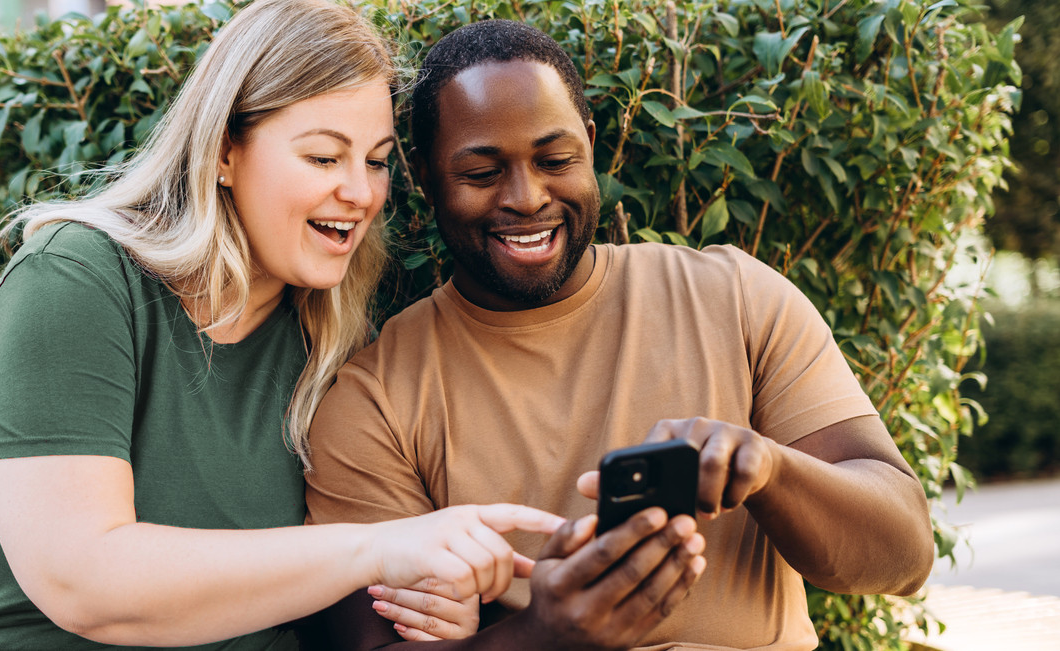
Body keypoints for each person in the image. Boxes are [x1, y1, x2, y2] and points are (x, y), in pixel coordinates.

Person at [0, 3, 567, 650]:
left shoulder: (331, 343)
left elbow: (328, 590)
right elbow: (82, 582)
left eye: (374, 160)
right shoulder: (75, 280)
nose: (361, 192)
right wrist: (377, 547)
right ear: (225, 149)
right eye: (322, 157)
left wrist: (429, 605)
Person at [304, 19, 935, 650]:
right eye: (481, 172)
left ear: (592, 147)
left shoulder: (735, 297)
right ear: (424, 177)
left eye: (555, 160)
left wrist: (770, 470)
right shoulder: (375, 399)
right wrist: (544, 634)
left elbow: (904, 555)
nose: (527, 197)